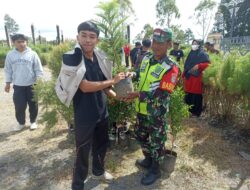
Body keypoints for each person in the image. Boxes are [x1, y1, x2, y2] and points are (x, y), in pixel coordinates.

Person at [64, 21, 125, 190]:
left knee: (101, 145)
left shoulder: (99, 57)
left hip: (101, 111)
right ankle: (78, 184)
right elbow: (84, 86)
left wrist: (117, 95)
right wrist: (113, 80)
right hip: (84, 114)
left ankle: (98, 171)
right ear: (77, 37)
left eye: (92, 37)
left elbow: (104, 85)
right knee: (82, 151)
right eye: (83, 35)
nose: (88, 40)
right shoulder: (72, 57)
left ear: (97, 40)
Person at [126, 28, 179, 186]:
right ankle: (148, 160)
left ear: (169, 44)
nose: (156, 46)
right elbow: (140, 74)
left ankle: (155, 170)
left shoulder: (171, 67)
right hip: (141, 109)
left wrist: (137, 95)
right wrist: (132, 75)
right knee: (141, 135)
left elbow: (163, 93)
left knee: (156, 142)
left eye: (160, 43)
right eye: (154, 42)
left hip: (156, 112)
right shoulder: (147, 58)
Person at [4, 34, 43, 131]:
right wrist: (8, 83)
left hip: (32, 85)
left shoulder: (32, 54)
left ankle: (33, 122)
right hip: (18, 86)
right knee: (19, 106)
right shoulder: (10, 55)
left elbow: (38, 69)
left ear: (26, 42)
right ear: (14, 43)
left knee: (33, 105)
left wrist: (39, 82)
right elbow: (8, 70)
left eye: (23, 41)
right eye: (19, 42)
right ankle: (21, 123)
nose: (22, 44)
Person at [182, 39, 210, 117]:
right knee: (188, 95)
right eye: (193, 43)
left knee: (196, 95)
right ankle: (187, 112)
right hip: (188, 78)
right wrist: (183, 75)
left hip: (196, 79)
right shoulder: (191, 53)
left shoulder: (203, 54)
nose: (194, 45)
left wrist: (199, 66)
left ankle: (196, 113)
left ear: (199, 45)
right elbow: (186, 65)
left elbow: (208, 64)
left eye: (196, 44)